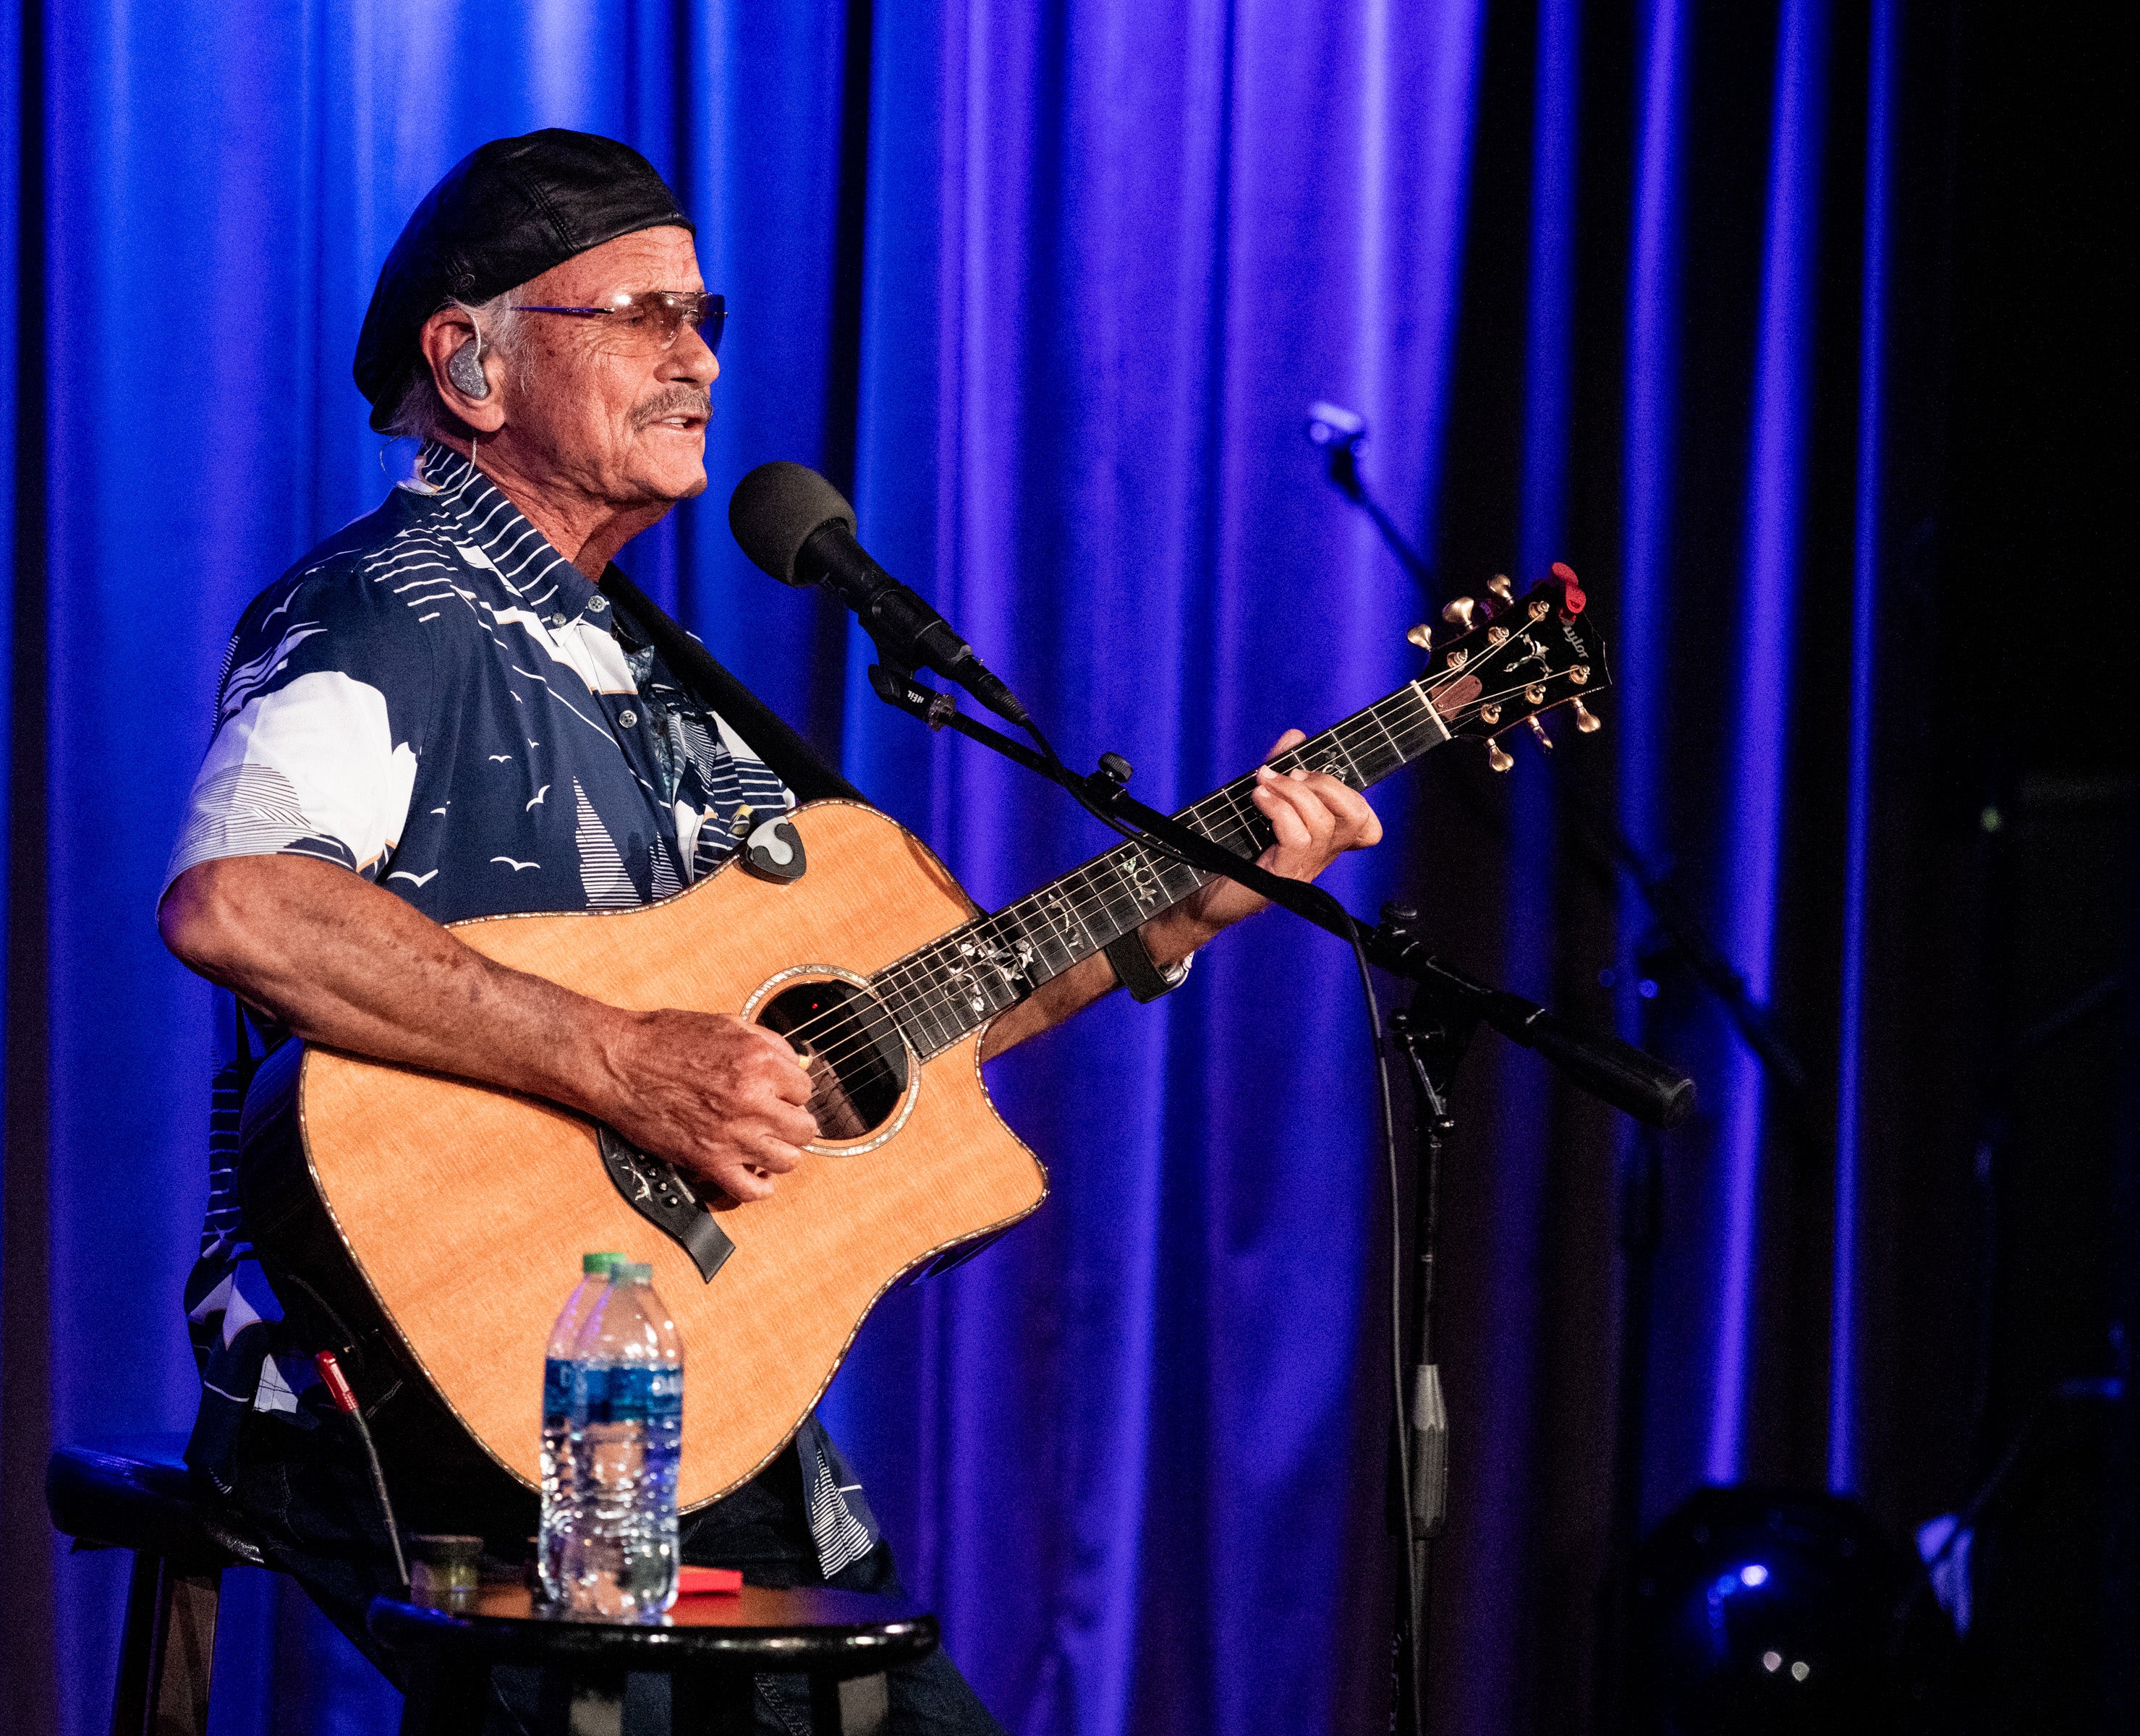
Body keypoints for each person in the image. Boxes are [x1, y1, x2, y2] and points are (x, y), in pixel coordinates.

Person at [156, 129, 1382, 1735]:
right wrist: (622, 1060)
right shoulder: (387, 607)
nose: (700, 357)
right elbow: (240, 903)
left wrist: (1182, 909)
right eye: (643, 315)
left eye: (707, 315)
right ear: (468, 364)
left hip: (682, 1396)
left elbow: (885, 1032)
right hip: (439, 1391)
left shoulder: (662, 678)